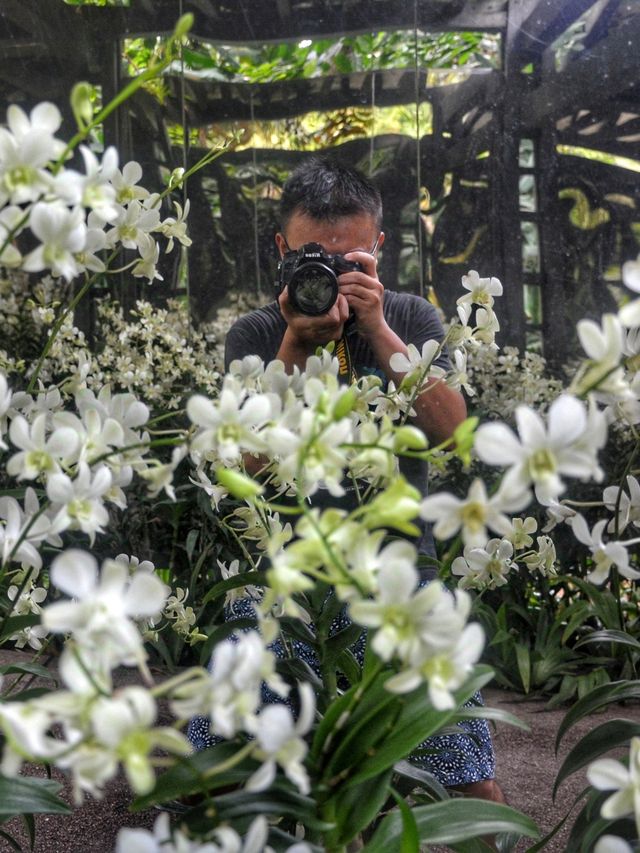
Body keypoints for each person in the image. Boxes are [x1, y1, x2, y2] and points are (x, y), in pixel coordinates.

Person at [190, 155, 505, 805]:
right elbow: (245, 463)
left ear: (379, 249)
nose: (330, 273)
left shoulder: (412, 318)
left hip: (396, 563)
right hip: (286, 569)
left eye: (350, 259)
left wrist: (378, 328)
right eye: (313, 256)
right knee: (204, 773)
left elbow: (452, 431)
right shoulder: (255, 332)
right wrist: (296, 348)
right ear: (282, 249)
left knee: (472, 781)